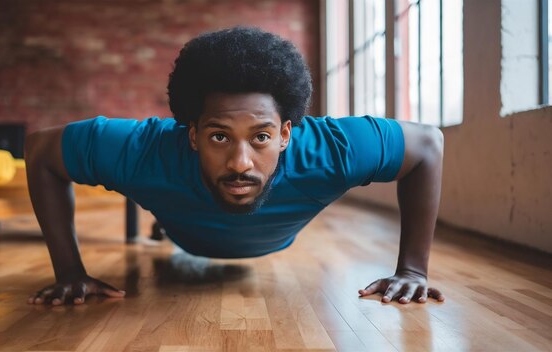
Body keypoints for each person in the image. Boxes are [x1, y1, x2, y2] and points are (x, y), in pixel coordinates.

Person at [25, 27, 445, 306]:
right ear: (192, 135)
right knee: (156, 192)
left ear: (285, 135)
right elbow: (41, 150)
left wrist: (412, 269)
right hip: (185, 231)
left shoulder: (330, 150)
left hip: (272, 238)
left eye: (260, 137)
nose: (240, 163)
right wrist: (69, 272)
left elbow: (427, 145)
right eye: (219, 136)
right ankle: (161, 224)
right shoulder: (145, 151)